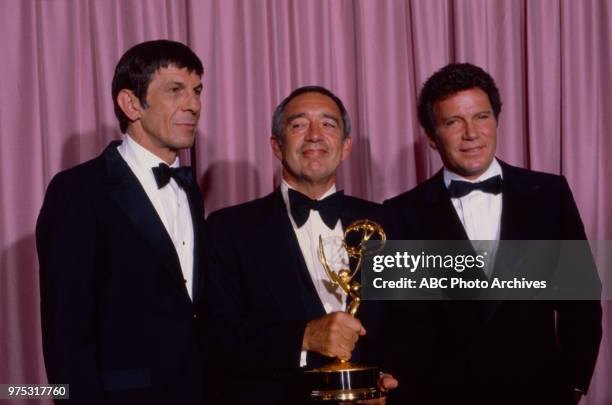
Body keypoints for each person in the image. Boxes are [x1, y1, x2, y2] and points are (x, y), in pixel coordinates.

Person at [382, 63, 602, 405]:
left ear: (496, 121)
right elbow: (394, 322)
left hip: (538, 394)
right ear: (430, 134)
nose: (471, 133)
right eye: (453, 122)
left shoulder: (549, 194)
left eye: (481, 117)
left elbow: (583, 301)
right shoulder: (397, 213)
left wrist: (574, 384)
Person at [36, 40, 206, 404]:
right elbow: (65, 332)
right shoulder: (78, 190)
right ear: (131, 104)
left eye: (196, 91)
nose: (193, 105)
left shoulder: (191, 192)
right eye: (175, 90)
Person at [204, 86, 396, 404]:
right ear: (277, 146)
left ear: (346, 146)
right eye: (299, 125)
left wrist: (388, 379)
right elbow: (218, 336)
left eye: (328, 124)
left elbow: (408, 324)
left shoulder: (386, 223)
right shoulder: (228, 229)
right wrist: (305, 337)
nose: (314, 136)